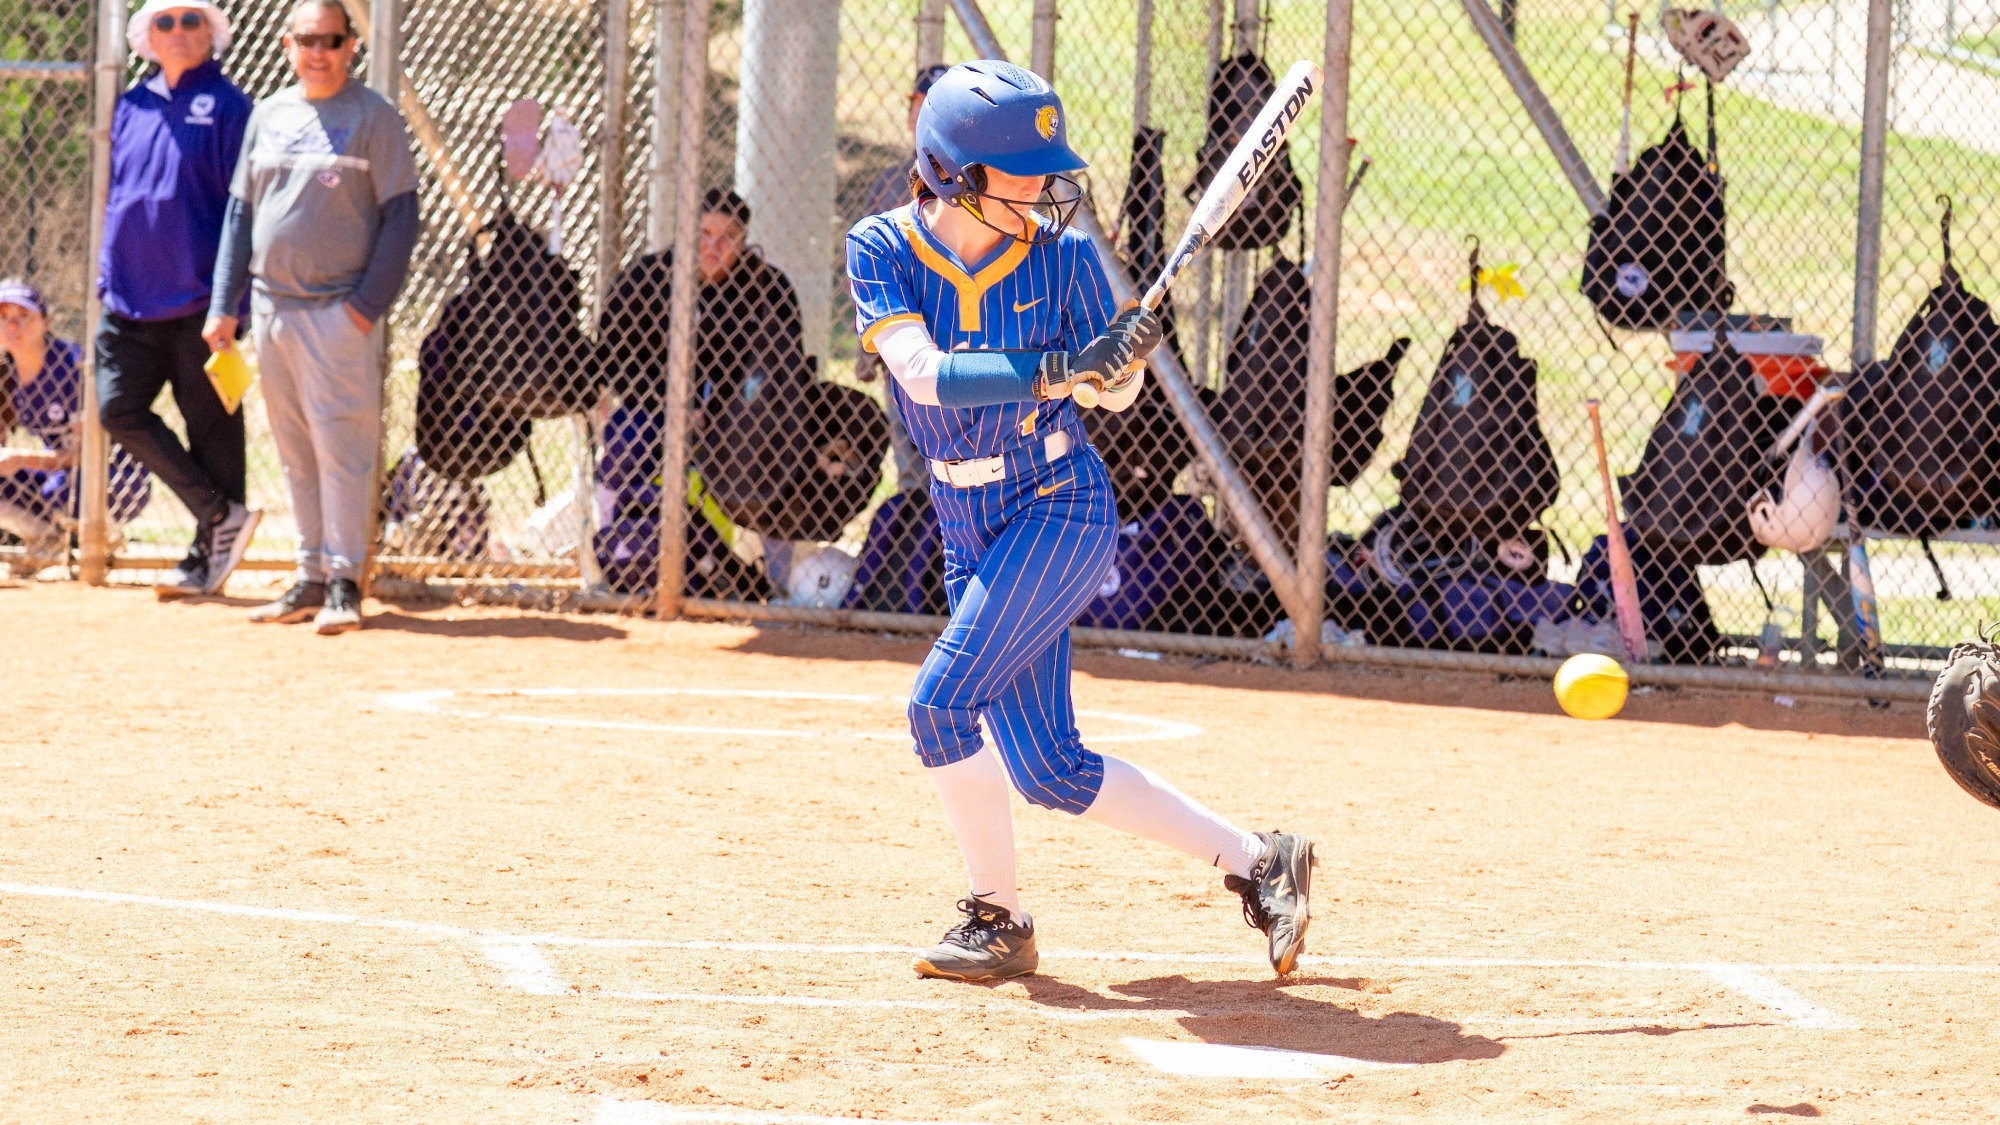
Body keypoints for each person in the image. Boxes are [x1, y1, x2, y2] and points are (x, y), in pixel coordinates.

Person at [844, 61, 1314, 983]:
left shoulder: (1063, 257)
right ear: (953, 174)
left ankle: (998, 919)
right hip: (962, 514)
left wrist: (1120, 358)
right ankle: (1263, 859)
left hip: (1057, 504)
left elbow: (1122, 397)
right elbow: (924, 372)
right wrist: (1063, 364)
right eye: (1021, 172)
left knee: (940, 706)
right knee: (1050, 769)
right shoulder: (882, 246)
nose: (1044, 187)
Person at [205, 0, 419, 634]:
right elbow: (241, 216)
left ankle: (347, 580)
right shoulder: (269, 115)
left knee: (342, 450)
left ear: (351, 46)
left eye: (330, 39)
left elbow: (402, 219)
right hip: (271, 308)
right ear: (286, 44)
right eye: (306, 40)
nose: (318, 50)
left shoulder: (373, 118)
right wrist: (224, 304)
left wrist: (363, 309)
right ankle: (310, 576)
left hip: (339, 311)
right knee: (298, 450)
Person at [98, 0, 260, 599]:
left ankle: (203, 556)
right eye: (165, 21)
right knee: (117, 409)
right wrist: (103, 279)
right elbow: (117, 195)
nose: (179, 31)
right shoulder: (133, 105)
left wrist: (231, 302)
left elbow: (244, 210)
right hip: (127, 300)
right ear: (148, 35)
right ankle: (222, 514)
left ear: (212, 33)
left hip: (200, 302)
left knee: (212, 430)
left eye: (192, 21)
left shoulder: (229, 106)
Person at [596, 188, 811, 591]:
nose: (714, 246)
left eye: (727, 237)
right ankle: (613, 557)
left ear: (744, 241)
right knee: (624, 438)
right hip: (655, 408)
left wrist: (725, 411)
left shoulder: (767, 286)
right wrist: (670, 405)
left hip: (738, 417)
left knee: (781, 456)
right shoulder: (647, 277)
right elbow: (614, 357)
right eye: (704, 234)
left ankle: (780, 586)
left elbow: (784, 369)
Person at [0, 281, 151, 577]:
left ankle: (97, 539)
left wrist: (22, 458)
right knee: (50, 486)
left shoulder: (74, 366)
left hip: (117, 471)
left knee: (59, 490)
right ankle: (47, 541)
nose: (13, 326)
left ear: (45, 322)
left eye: (23, 316)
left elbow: (90, 452)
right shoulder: (5, 376)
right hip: (58, 472)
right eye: (4, 317)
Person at [851, 63, 952, 496]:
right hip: (903, 333)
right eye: (916, 104)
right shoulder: (891, 181)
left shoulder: (969, 184)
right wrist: (868, 349)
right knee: (910, 464)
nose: (920, 114)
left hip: (953, 338)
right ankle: (916, 550)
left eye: (932, 105)